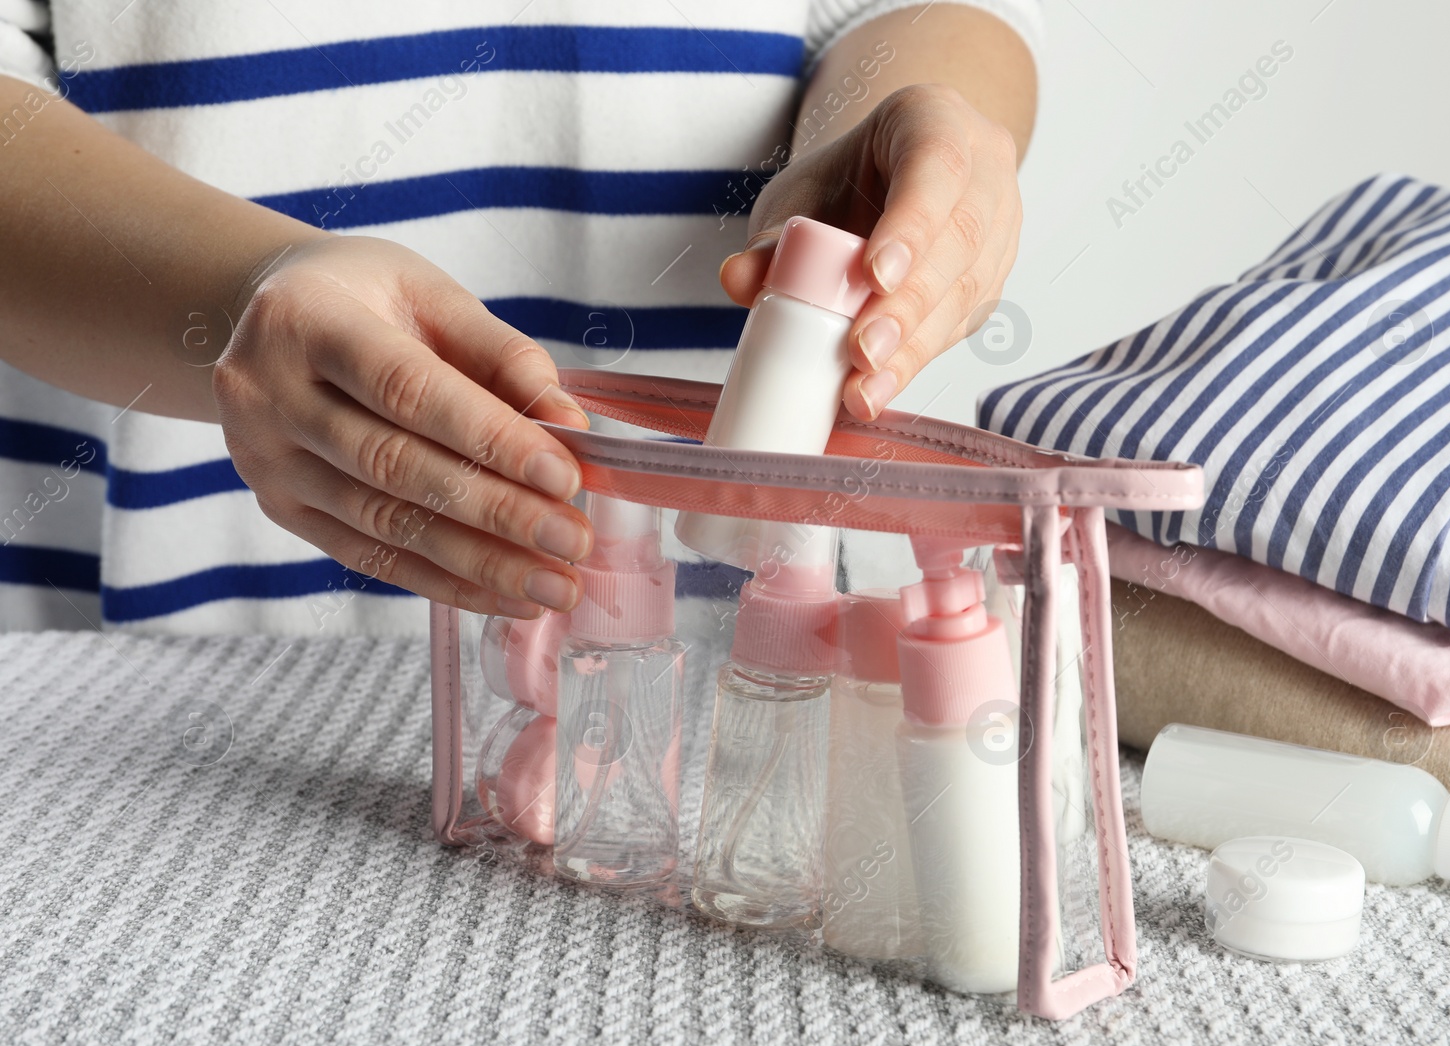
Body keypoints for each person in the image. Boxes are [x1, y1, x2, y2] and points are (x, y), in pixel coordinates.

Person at [0, 1, 1038, 635]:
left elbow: (920, 8)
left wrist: (907, 126)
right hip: (140, 673)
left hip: (723, 644)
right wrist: (236, 296)